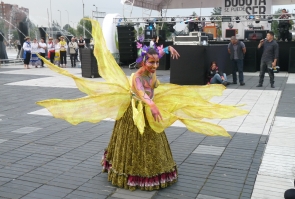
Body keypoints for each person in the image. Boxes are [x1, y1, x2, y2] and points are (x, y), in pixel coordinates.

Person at [36, 20, 248, 191]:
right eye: (151, 63)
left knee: (154, 139)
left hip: (149, 108)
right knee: (136, 141)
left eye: (156, 62)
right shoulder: (138, 77)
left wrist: (167, 48)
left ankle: (155, 172)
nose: (155, 66)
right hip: (136, 112)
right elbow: (141, 94)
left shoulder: (152, 67)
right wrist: (152, 105)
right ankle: (132, 174)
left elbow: (158, 53)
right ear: (142, 62)